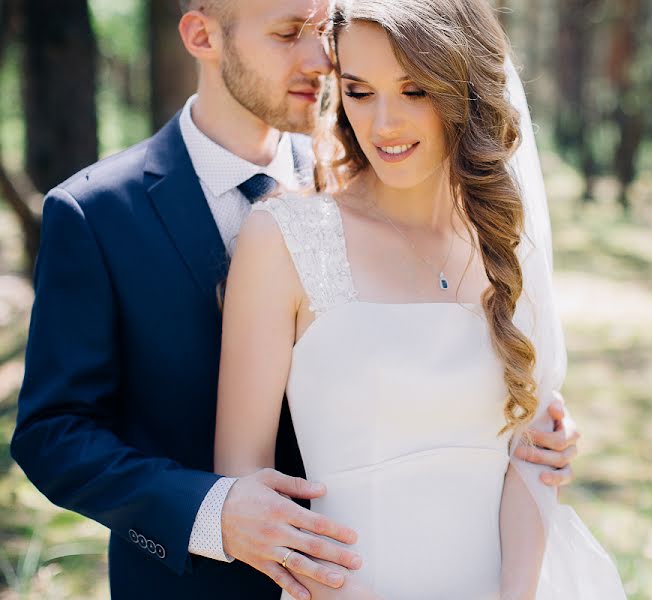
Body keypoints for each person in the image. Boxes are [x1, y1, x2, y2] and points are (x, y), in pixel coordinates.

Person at [9, 1, 581, 599]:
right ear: (201, 35)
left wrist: (533, 428)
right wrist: (211, 512)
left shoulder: (379, 169)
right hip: (203, 583)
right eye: (288, 35)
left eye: (319, 31)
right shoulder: (98, 214)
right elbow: (55, 432)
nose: (319, 59)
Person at [215, 0, 626, 598]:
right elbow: (243, 479)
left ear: (467, 89)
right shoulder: (283, 240)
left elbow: (532, 457)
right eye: (359, 91)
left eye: (415, 90)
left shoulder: (507, 243)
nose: (384, 124)